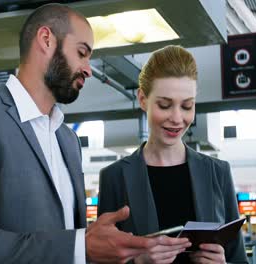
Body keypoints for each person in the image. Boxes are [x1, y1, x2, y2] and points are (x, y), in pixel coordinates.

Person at [0, 4, 190, 264]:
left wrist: (134, 257)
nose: (89, 70)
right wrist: (82, 245)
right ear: (46, 40)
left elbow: (71, 250)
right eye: (82, 53)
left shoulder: (68, 140)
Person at [98, 45, 248, 264]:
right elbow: (102, 259)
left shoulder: (218, 172)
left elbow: (238, 258)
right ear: (142, 99)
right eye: (165, 105)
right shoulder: (115, 177)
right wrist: (138, 262)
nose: (177, 118)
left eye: (187, 106)